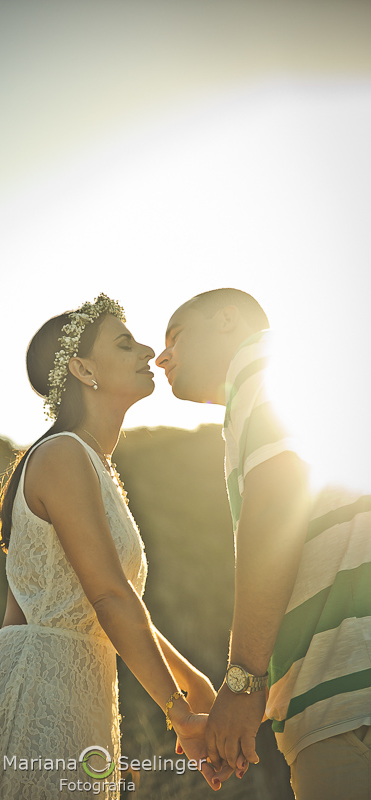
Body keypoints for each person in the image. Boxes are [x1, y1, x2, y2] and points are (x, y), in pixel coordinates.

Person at [0, 293, 243, 800]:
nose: (147, 351)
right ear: (83, 369)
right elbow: (110, 597)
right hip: (39, 694)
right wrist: (179, 714)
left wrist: (195, 683)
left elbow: (116, 607)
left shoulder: (96, 465)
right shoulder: (63, 454)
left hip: (82, 693)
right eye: (125, 343)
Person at [156, 288, 371, 800]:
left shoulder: (263, 368)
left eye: (176, 337)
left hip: (347, 696)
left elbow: (277, 502)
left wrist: (244, 682)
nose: (161, 356)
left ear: (229, 321)